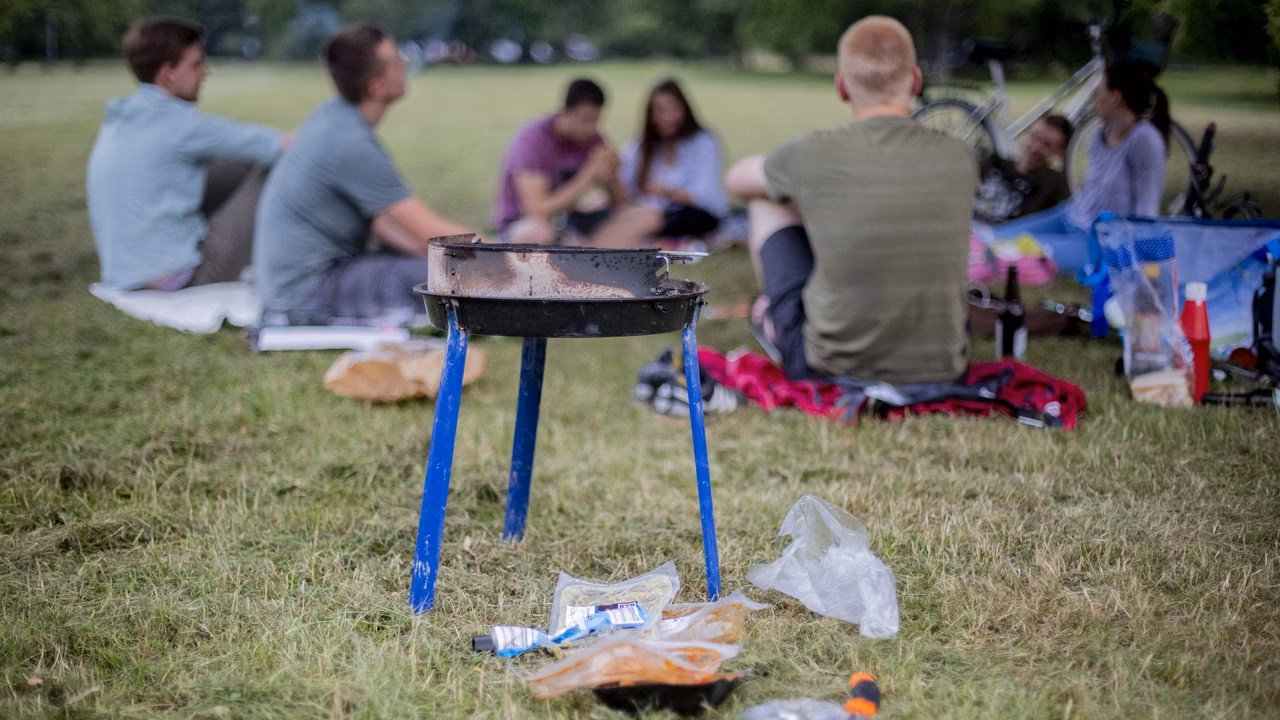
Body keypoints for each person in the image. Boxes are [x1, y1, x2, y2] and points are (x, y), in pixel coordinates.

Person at [725, 16, 978, 384]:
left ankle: (774, 320)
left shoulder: (812, 153)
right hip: (946, 368)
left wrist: (799, 196)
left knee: (766, 202)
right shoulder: (960, 155)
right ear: (916, 80)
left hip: (828, 366)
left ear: (842, 86)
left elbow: (737, 180)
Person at [253, 21, 475, 324]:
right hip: (306, 294)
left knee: (430, 267)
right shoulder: (350, 143)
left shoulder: (332, 116)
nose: (406, 63)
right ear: (377, 87)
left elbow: (384, 221)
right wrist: (499, 259)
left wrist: (424, 254)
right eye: (397, 61)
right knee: (445, 282)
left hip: (294, 283)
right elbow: (438, 235)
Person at [87, 17, 287, 291]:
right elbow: (279, 145)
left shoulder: (120, 118)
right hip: (184, 276)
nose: (205, 73)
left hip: (124, 275)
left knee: (233, 161)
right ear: (169, 73)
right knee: (274, 166)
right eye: (196, 64)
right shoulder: (181, 125)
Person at [989, 59, 1171, 273]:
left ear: (1115, 97)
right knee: (991, 240)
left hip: (1099, 244)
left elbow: (1146, 212)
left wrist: (1136, 265)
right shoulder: (1100, 133)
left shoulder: (1145, 141)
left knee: (1007, 254)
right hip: (1068, 217)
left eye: (1098, 93)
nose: (1095, 100)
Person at [492, 78, 653, 247]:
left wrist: (611, 173)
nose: (592, 128)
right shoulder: (531, 141)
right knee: (537, 233)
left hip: (570, 222)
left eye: (597, 120)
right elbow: (537, 211)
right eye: (586, 120)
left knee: (644, 216)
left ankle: (589, 258)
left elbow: (621, 203)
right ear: (564, 113)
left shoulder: (593, 140)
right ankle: (582, 254)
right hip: (523, 224)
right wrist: (589, 175)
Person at [615, 78, 728, 242]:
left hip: (694, 213)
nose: (667, 118)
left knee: (662, 219)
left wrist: (667, 192)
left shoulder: (703, 142)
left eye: (672, 109)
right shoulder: (642, 144)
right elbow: (624, 183)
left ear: (684, 110)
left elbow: (706, 196)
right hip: (649, 212)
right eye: (659, 110)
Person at [973, 114, 1072, 224]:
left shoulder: (1054, 184)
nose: (1035, 147)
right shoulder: (993, 162)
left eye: (1046, 145)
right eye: (1034, 137)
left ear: (1059, 152)